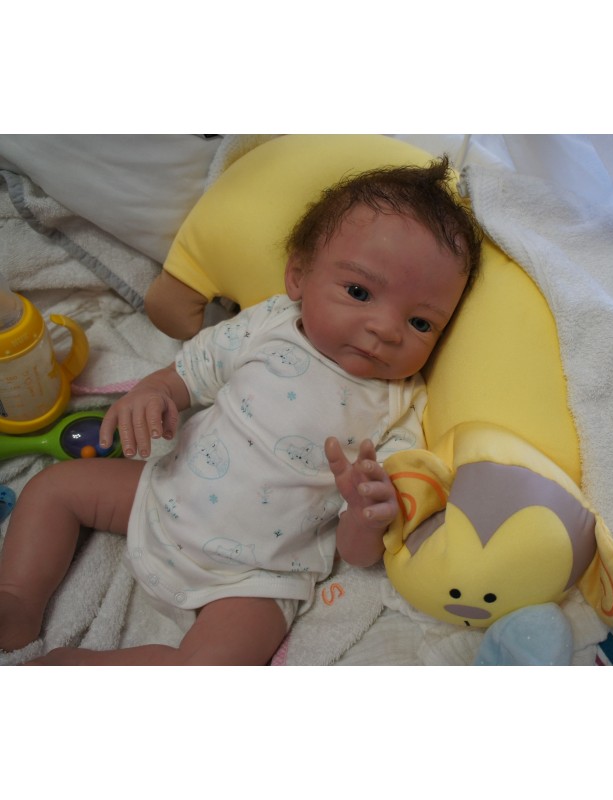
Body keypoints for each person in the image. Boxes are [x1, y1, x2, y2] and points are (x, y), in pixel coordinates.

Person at [0, 157, 483, 665]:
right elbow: (188, 373)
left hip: (258, 575)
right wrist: (153, 392)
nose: (386, 328)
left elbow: (358, 554)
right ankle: (16, 599)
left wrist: (365, 516)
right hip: (164, 492)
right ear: (298, 276)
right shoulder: (269, 324)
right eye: (359, 292)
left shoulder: (401, 407)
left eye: (421, 323)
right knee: (53, 488)